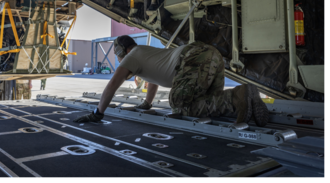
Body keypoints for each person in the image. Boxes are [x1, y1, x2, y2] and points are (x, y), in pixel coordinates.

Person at [74, 35, 269, 127]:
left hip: (193, 58)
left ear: (122, 51)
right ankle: (247, 98)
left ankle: (239, 95)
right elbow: (153, 79)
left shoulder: (131, 56)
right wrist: (147, 104)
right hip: (211, 54)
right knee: (210, 99)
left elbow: (112, 85)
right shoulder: (145, 52)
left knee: (179, 104)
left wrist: (97, 113)